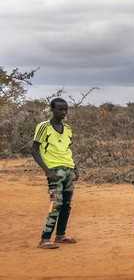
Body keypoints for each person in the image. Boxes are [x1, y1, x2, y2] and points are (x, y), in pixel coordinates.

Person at [32, 97, 78, 249]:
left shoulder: (69, 128)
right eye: (60, 109)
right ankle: (44, 239)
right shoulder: (44, 126)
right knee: (55, 204)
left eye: (65, 109)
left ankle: (60, 235)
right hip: (54, 171)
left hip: (68, 170)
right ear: (52, 110)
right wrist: (47, 171)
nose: (63, 112)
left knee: (66, 204)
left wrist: (74, 168)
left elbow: (68, 149)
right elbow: (34, 150)